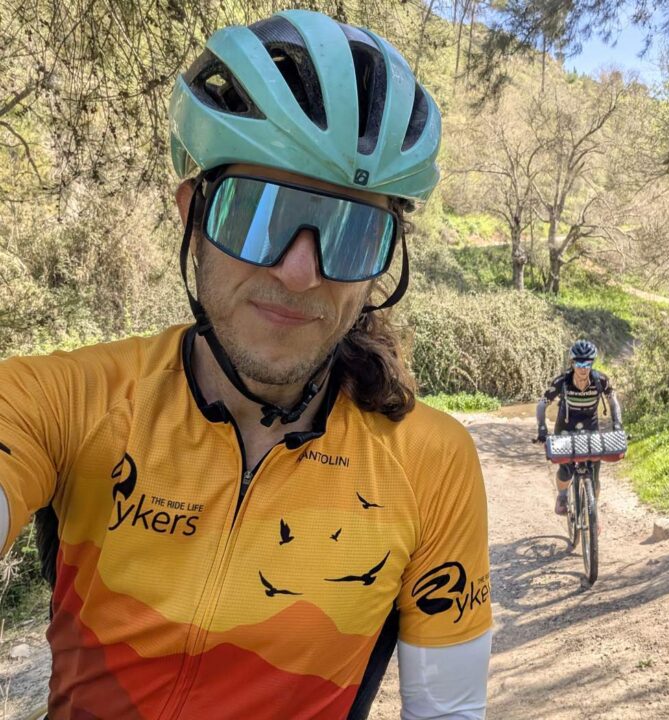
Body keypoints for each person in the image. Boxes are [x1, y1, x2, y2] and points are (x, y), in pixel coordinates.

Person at [0, 10, 491, 719]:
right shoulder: (71, 401)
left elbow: (447, 711)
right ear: (193, 213)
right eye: (259, 212)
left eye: (351, 231)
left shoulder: (430, 463)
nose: (299, 272)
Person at [535, 340, 623, 515]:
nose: (583, 368)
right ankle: (562, 495)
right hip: (565, 426)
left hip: (591, 425)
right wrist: (542, 429)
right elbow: (542, 405)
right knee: (565, 470)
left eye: (587, 364)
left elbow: (613, 401)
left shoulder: (601, 380)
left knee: (595, 474)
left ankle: (593, 513)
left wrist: (617, 424)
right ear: (572, 363)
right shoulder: (562, 382)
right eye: (579, 364)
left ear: (592, 363)